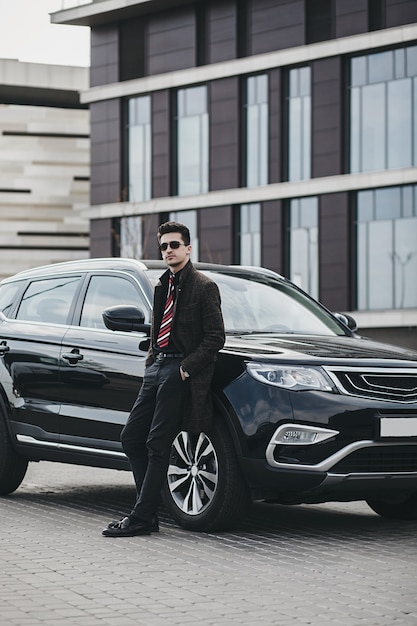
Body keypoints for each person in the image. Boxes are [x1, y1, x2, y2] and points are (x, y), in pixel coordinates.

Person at [102, 221, 225, 537]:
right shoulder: (162, 285)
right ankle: (146, 512)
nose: (169, 250)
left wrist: (185, 369)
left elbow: (215, 337)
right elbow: (158, 331)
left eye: (174, 245)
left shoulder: (204, 286)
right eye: (164, 246)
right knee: (131, 437)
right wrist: (152, 362)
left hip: (179, 371)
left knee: (158, 443)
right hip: (157, 367)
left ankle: (142, 517)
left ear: (188, 248)